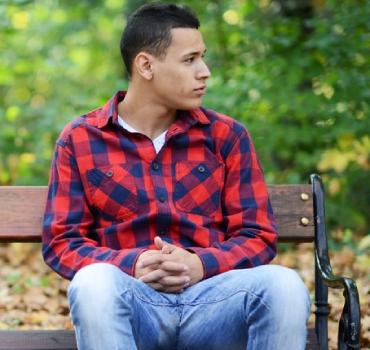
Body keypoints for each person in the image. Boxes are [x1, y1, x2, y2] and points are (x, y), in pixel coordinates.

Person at [41, 3, 310, 349]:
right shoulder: (81, 138)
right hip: (133, 304)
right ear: (146, 65)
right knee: (92, 282)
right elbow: (63, 242)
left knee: (284, 285)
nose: (205, 71)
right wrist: (133, 263)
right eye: (190, 60)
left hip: (214, 305)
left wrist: (200, 264)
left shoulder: (225, 136)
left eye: (203, 58)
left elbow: (257, 235)